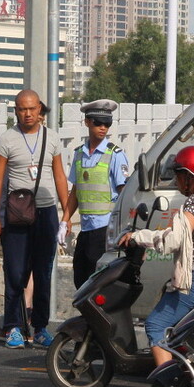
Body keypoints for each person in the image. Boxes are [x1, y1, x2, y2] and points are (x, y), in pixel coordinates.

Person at [118, 145, 194, 387]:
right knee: (178, 329)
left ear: (189, 176)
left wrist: (138, 237)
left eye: (179, 174)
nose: (177, 181)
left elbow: (173, 241)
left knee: (156, 324)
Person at [0, 89, 70, 349]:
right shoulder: (6, 140)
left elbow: (60, 177)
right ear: (15, 111)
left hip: (46, 213)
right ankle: (12, 326)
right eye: (22, 109)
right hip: (17, 214)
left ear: (40, 110)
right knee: (15, 271)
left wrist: (66, 215)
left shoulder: (53, 139)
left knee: (43, 271)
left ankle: (41, 327)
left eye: (32, 108)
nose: (27, 113)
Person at [61, 99, 131, 288]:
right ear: (87, 122)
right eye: (98, 122)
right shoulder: (79, 154)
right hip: (85, 229)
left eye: (107, 124)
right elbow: (76, 190)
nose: (103, 128)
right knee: (80, 280)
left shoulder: (115, 155)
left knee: (96, 285)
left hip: (104, 228)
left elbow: (124, 192)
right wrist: (65, 219)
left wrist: (125, 226)